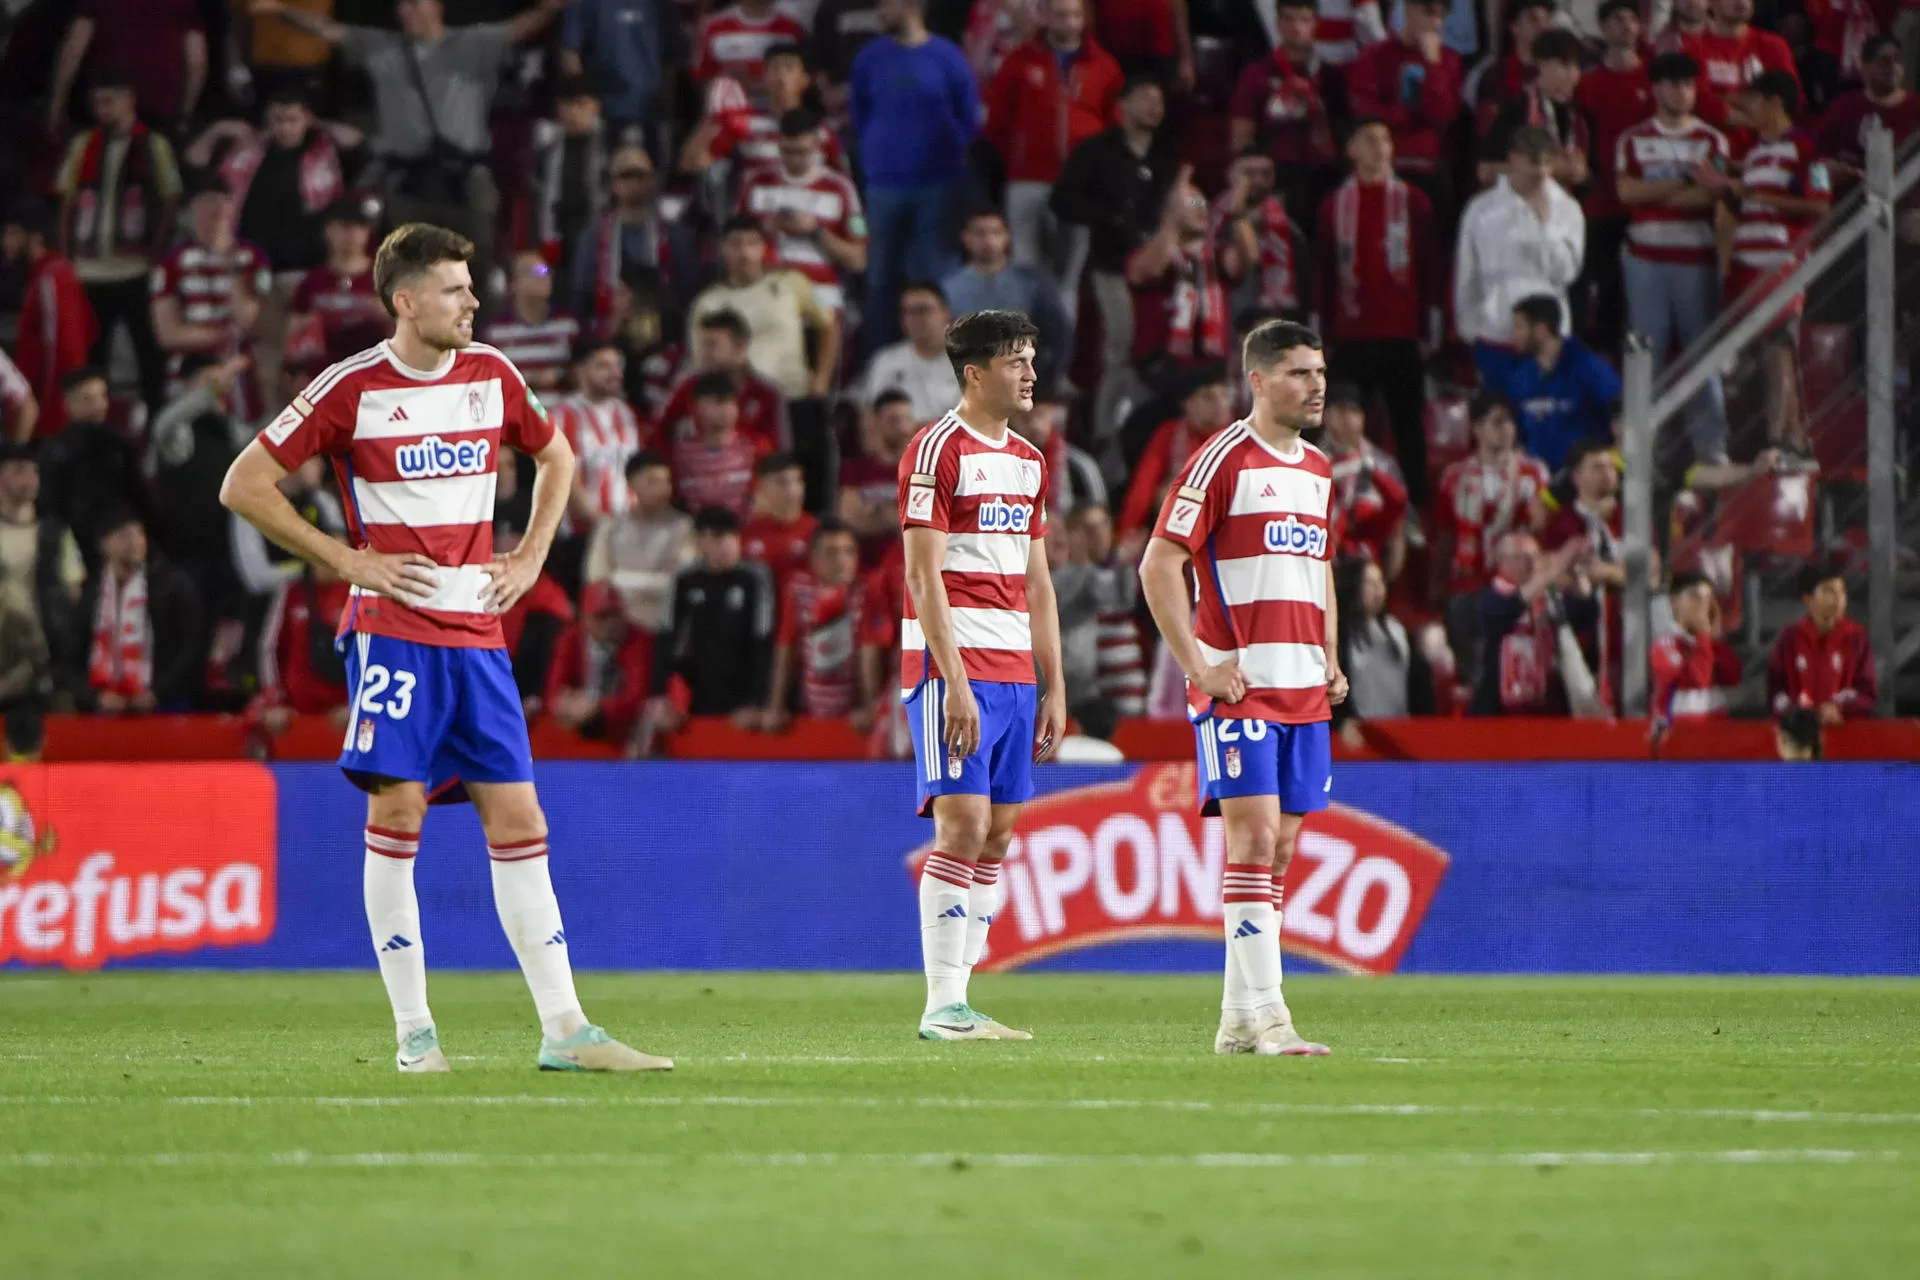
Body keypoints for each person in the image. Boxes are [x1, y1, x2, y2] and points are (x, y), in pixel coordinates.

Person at [219, 221, 669, 1073]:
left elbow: (558, 456)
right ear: (406, 299)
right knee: (397, 813)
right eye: (457, 289)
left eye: (472, 287)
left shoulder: (492, 374)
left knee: (519, 816)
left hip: (478, 635)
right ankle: (414, 1034)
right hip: (393, 634)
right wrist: (348, 560)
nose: (473, 302)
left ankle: (567, 1031)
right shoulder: (350, 388)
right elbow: (243, 483)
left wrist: (531, 557)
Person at [1137, 318, 1340, 1057]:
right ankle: (1274, 1018)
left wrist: (1330, 653)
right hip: (1240, 687)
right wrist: (1199, 668)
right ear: (1257, 380)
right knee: (1251, 839)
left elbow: (1319, 569)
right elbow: (1159, 565)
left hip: (1303, 687)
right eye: (1298, 373)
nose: (1315, 385)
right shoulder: (1221, 459)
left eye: (1319, 372)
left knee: (1279, 852)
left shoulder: (1318, 469)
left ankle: (1234, 1022)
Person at [899, 309, 1064, 1042]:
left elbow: (1038, 583)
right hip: (951, 667)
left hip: (1015, 672)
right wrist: (954, 680)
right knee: (960, 824)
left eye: (1031, 358)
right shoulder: (936, 450)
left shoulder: (1030, 461)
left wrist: (1054, 684)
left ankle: (961, 998)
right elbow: (922, 575)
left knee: (996, 835)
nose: (1030, 372)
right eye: (1016, 361)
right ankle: (942, 1005)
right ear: (974, 373)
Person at [249, 0, 570, 308]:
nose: (407, 10)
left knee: (476, 267)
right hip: (408, 182)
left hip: (465, 180)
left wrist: (546, 9)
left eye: (417, 3)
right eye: (403, 4)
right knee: (410, 268)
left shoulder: (472, 43)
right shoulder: (380, 45)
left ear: (438, 7)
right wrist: (280, 10)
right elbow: (327, 30)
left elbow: (516, 29)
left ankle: (475, 343)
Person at [1694, 70, 1832, 455]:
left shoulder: (1806, 148)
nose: (1743, 110)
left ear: (1774, 102)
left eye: (1749, 101)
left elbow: (1819, 204)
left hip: (1781, 263)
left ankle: (1778, 442)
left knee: (1777, 348)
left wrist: (1746, 189)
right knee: (1765, 353)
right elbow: (1749, 202)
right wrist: (1725, 191)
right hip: (1745, 264)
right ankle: (1792, 437)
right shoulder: (1755, 153)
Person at [1315, 118, 1444, 504]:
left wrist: (1433, 320)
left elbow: (1430, 265)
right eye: (1370, 140)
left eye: (1386, 140)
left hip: (1402, 333)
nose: (1380, 148)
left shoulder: (1413, 202)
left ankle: (1414, 507)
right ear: (1351, 149)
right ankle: (1328, 498)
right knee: (1335, 420)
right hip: (1351, 333)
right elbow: (1323, 271)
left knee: (1409, 426)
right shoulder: (1334, 206)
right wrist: (1317, 329)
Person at [1616, 52, 1732, 464]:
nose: (1682, 91)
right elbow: (1626, 194)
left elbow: (1709, 195)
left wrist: (1656, 188)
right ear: (1655, 88)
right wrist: (1684, 179)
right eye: (1672, 83)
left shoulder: (1713, 140)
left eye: (1688, 84)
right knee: (1647, 355)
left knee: (1703, 354)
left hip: (1696, 261)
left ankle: (1710, 446)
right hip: (1644, 261)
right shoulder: (1632, 139)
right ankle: (1646, 445)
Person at [851, 0, 980, 350]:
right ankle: (879, 362)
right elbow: (860, 114)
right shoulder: (868, 57)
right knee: (879, 280)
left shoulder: (948, 57)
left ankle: (945, 359)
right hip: (882, 185)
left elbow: (969, 120)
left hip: (938, 184)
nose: (878, 10)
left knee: (937, 280)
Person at [54, 75, 181, 416]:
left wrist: (155, 251)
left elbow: (169, 201)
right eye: (97, 101)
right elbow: (67, 201)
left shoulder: (153, 145)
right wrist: (67, 258)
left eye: (109, 100)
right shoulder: (84, 144)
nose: (102, 109)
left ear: (130, 101)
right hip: (90, 270)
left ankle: (156, 421)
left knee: (149, 353)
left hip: (136, 270)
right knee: (93, 357)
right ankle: (96, 423)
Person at [983, 0, 1122, 294]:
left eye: (1075, 15)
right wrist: (1019, 157)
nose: (1069, 23)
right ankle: (1023, 341)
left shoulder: (1104, 65)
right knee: (1024, 270)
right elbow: (997, 121)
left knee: (1067, 279)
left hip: (1079, 185)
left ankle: (1061, 341)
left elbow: (1115, 128)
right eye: (1061, 15)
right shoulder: (1018, 61)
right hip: (1027, 180)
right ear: (1045, 16)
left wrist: (1096, 173)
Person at [1433, 393, 1552, 663]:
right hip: (1466, 583)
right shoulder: (1454, 476)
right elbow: (1445, 534)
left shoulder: (1533, 473)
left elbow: (1540, 530)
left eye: (1510, 422)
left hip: (1514, 586)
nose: (1507, 429)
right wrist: (1437, 581)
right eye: (1497, 422)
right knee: (1472, 668)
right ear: (1477, 428)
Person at [150, 172, 273, 422]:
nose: (214, 215)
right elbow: (168, 333)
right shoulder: (171, 264)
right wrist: (226, 337)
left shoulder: (253, 258)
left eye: (220, 206)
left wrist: (230, 267)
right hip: (190, 375)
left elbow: (254, 323)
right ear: (191, 211)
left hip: (246, 382)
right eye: (205, 206)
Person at [1454, 126, 1586, 351]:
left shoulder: (1567, 209)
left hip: (1548, 337)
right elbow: (1467, 273)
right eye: (1534, 162)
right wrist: (1469, 329)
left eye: (1547, 162)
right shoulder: (1481, 209)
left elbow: (1566, 273)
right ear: (1514, 159)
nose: (1541, 171)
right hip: (1494, 331)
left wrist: (1546, 227)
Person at [649, 504, 777, 724]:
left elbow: (763, 641)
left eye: (732, 536)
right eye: (717, 538)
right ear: (700, 542)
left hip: (744, 693)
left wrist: (757, 703)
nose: (727, 544)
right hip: (698, 691)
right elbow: (668, 638)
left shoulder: (755, 577)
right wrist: (662, 697)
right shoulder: (684, 579)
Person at [734, 109, 869, 313]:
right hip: (764, 296)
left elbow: (859, 260)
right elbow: (730, 247)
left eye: (801, 151)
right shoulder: (755, 182)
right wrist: (762, 232)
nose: (794, 159)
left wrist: (816, 232)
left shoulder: (840, 188)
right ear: (778, 144)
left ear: (816, 145)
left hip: (822, 298)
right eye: (787, 151)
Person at [1576, 0, 1653, 356]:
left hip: (1646, 204)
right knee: (1604, 290)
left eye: (1631, 19)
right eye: (1616, 19)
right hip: (1601, 203)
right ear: (1603, 29)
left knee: (1640, 294)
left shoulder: (1655, 80)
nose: (1625, 25)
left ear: (1640, 27)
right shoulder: (1587, 85)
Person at [1228, 0, 1343, 234]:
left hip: (1323, 177)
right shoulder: (1256, 74)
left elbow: (1344, 137)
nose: (1296, 27)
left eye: (1303, 19)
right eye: (1288, 19)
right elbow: (1240, 138)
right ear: (1278, 24)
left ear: (1315, 25)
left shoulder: (1332, 78)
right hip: (1275, 177)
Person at [1344, 0, 1463, 222]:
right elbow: (1366, 111)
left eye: (1440, 16)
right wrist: (1411, 115)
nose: (1435, 22)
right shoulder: (1375, 55)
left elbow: (1443, 114)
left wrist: (1432, 65)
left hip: (1429, 169)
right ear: (1409, 9)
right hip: (1385, 167)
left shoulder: (1448, 60)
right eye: (1429, 12)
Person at [1476, 295, 1622, 472]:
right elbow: (1517, 435)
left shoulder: (1590, 369)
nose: (1513, 334)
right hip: (1538, 484)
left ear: (1541, 329)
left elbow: (1620, 414)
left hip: (1583, 484)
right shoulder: (1519, 378)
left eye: (1519, 326)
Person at [76, 512, 204, 713]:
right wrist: (94, 697)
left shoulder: (171, 586)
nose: (134, 542)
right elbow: (72, 657)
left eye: (139, 534)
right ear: (104, 544)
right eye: (124, 535)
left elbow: (191, 647)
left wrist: (157, 693)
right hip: (103, 709)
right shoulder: (91, 595)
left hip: (163, 705)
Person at [763, 517, 881, 729]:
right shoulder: (797, 587)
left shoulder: (867, 588)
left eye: (849, 551)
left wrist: (871, 706)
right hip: (806, 710)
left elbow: (869, 650)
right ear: (814, 557)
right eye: (832, 552)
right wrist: (776, 706)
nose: (842, 560)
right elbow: (786, 646)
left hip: (854, 714)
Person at [941, 209, 1073, 393]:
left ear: (1006, 237)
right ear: (965, 237)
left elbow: (1059, 333)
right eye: (980, 233)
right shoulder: (949, 288)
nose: (988, 241)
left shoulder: (1031, 282)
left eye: (995, 233)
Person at [1469, 530, 1597, 715]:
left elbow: (1586, 612)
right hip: (1498, 712)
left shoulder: (1549, 598)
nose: (1532, 564)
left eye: (1535, 557)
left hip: (1544, 707)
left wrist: (1577, 572)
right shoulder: (1488, 598)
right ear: (1503, 561)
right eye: (1524, 557)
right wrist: (1556, 568)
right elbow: (1512, 606)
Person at [3, 200, 98, 439]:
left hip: (51, 425)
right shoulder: (43, 279)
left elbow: (65, 355)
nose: (6, 244)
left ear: (34, 237)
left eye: (11, 234)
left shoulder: (53, 278)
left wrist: (51, 424)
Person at [48, 0, 207, 134]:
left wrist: (57, 106)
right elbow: (196, 63)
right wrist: (185, 115)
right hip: (159, 105)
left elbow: (72, 51)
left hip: (108, 100)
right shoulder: (184, 4)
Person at [582, 450, 692, 629]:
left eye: (666, 482)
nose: (663, 489)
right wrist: (649, 582)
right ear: (631, 484)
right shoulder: (609, 527)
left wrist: (619, 578)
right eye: (653, 482)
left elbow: (678, 581)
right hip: (618, 628)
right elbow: (597, 580)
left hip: (665, 625)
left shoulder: (684, 527)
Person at [1331, 558, 1435, 745]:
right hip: (1361, 738)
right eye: (1370, 583)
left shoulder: (1398, 630)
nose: (1378, 588)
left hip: (1401, 735)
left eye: (1380, 582)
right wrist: (1340, 722)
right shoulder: (1338, 634)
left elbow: (1421, 683)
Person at [286, 197, 387, 387]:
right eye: (344, 226)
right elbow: (293, 339)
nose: (352, 234)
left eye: (360, 227)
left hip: (373, 383)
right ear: (327, 230)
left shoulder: (385, 280)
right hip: (322, 383)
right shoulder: (312, 282)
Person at [557, 0, 686, 143]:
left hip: (649, 111)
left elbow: (672, 61)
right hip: (600, 113)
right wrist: (582, 100)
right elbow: (570, 55)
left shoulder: (661, 5)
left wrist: (666, 109)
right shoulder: (583, 3)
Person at [1480, 29, 1591, 190]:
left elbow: (1591, 173)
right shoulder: (1517, 109)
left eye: (1576, 66)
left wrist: (1581, 172)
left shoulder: (1580, 115)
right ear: (1541, 64)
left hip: (1565, 207)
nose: (1573, 75)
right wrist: (1551, 168)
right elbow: (1486, 170)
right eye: (1565, 65)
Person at [545, 581, 652, 745]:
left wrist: (597, 707)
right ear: (584, 619)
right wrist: (566, 705)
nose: (610, 623)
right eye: (601, 616)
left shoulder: (639, 640)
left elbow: (637, 695)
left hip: (623, 733)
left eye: (614, 614)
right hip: (575, 724)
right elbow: (554, 691)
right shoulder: (571, 638)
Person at [1767, 561, 1876, 721]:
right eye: (1829, 591)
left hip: (1846, 732)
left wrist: (1839, 708)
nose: (1838, 599)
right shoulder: (1790, 638)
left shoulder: (1857, 637)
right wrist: (1797, 713)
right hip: (1800, 734)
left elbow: (1867, 694)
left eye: (1841, 592)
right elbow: (1775, 693)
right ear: (1808, 599)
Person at [552, 340, 644, 531]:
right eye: (604, 366)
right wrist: (604, 527)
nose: (615, 373)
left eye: (618, 365)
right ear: (580, 371)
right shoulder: (564, 415)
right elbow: (568, 483)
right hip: (584, 533)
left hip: (628, 528)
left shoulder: (626, 413)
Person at [1319, 382, 1408, 578]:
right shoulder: (1313, 459)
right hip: (1325, 560)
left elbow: (1397, 528)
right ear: (1325, 416)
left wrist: (1387, 581)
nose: (1347, 418)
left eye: (1354, 411)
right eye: (1340, 410)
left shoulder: (1382, 464)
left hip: (1366, 559)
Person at [482, 252, 582, 409]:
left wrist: (560, 374)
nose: (544, 276)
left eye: (546, 271)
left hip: (563, 416)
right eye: (535, 272)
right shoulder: (496, 331)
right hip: (516, 415)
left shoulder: (567, 324)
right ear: (513, 283)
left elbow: (582, 369)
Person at [1817, 36, 1920, 184]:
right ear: (1864, 66)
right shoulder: (1844, 106)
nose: (1892, 66)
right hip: (1849, 202)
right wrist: (1822, 184)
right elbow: (1816, 159)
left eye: (1897, 60)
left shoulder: (1916, 108)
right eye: (1884, 61)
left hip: (1904, 200)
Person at [1650, 570, 1742, 734]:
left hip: (1717, 735)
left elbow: (1733, 676)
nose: (1703, 605)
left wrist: (1715, 638)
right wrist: (1704, 636)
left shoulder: (1710, 643)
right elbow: (1699, 678)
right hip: (1681, 737)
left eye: (1708, 598)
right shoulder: (1664, 645)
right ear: (1674, 601)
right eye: (1695, 597)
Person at [860, 282, 963, 421]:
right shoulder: (885, 360)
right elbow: (870, 417)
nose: (915, 318)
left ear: (946, 313)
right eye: (909, 312)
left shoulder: (968, 362)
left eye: (923, 310)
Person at [742, 451, 819, 599]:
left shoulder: (817, 531)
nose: (792, 490)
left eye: (797, 481)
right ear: (762, 486)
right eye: (781, 482)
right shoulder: (747, 534)